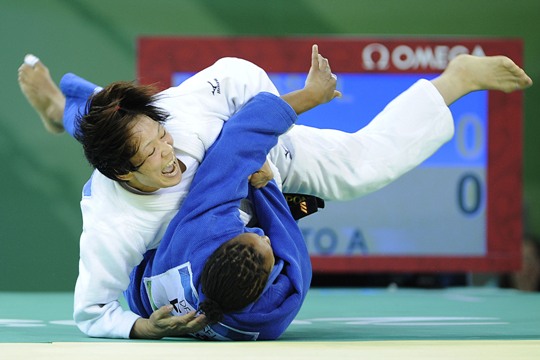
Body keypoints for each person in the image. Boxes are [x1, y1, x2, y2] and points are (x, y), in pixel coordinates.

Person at [18, 47, 533, 339]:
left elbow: (238, 75)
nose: (166, 154)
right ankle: (60, 108)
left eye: (161, 139)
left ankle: (456, 79)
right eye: (150, 157)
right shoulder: (114, 226)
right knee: (101, 131)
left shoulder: (180, 117)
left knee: (359, 169)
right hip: (218, 191)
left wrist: (265, 148)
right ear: (126, 179)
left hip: (258, 153)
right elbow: (90, 311)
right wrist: (139, 329)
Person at [126, 90, 307, 340]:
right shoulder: (275, 313)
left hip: (152, 240)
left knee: (121, 137)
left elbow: (232, 153)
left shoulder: (200, 237)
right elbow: (292, 247)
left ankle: (74, 107)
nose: (266, 238)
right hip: (142, 298)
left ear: (216, 251)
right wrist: (268, 188)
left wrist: (308, 97)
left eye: (257, 237)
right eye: (267, 244)